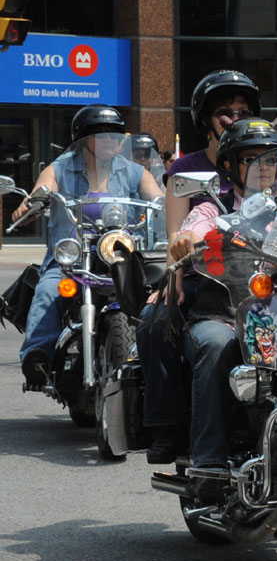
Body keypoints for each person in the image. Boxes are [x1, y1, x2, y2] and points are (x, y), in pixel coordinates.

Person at [138, 70, 261, 463]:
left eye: (242, 110)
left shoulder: (271, 167)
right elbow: (179, 232)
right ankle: (166, 426)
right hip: (201, 275)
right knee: (154, 319)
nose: (234, 117)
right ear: (206, 119)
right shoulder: (188, 170)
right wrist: (172, 273)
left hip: (263, 281)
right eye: (225, 111)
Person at [165, 117, 277, 496]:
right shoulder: (213, 208)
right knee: (217, 345)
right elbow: (192, 229)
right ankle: (209, 462)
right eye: (252, 159)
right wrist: (184, 240)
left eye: (269, 160)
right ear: (231, 165)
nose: (263, 168)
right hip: (222, 314)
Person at [12, 106, 164, 390]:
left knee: (157, 296)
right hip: (73, 255)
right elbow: (40, 192)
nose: (112, 142)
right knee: (48, 291)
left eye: (117, 136)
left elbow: (159, 199)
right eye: (103, 136)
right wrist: (29, 205)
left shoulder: (135, 172)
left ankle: (160, 368)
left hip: (119, 254)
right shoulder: (59, 168)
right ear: (83, 139)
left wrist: (169, 206)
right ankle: (37, 357)